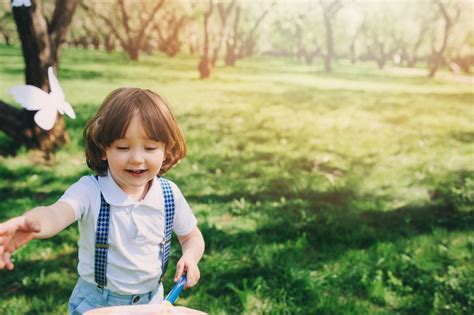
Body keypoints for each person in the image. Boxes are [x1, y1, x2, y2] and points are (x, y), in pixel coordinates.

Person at [0, 87, 205, 314]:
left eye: (149, 147)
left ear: (166, 150)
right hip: (98, 304)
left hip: (152, 302)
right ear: (103, 149)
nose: (137, 158)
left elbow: (191, 237)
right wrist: (32, 222)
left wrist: (190, 256)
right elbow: (57, 213)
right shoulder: (90, 191)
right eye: (123, 147)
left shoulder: (169, 195)